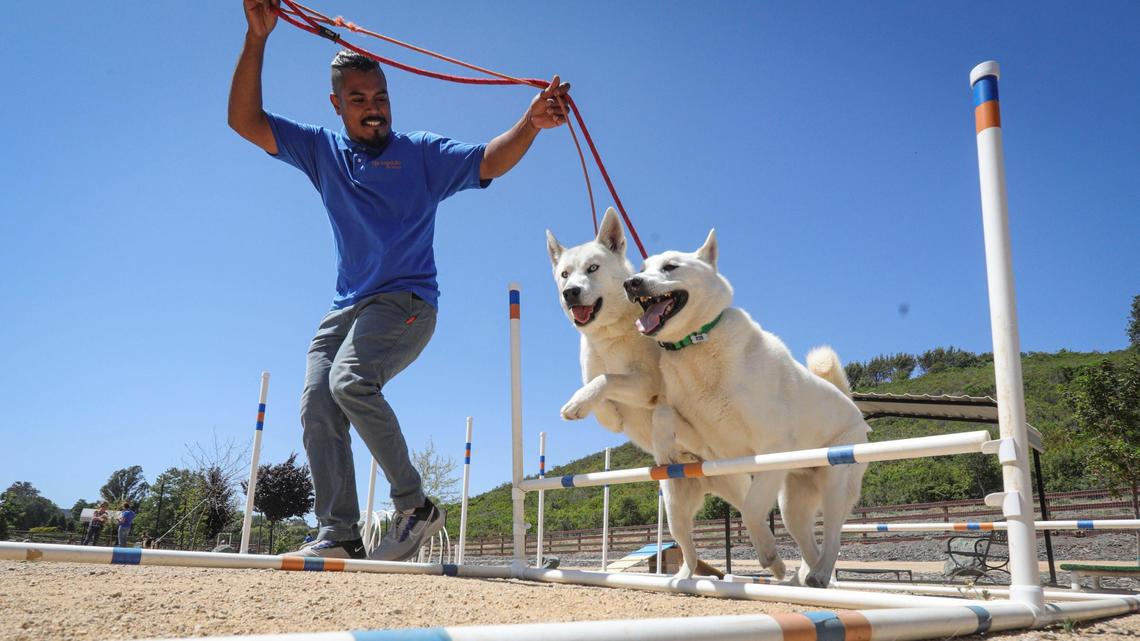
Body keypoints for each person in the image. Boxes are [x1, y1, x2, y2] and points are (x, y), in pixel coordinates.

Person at [228, 0, 570, 561]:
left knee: (350, 383)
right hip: (347, 306)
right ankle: (338, 532)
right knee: (317, 398)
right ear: (336, 105)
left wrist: (531, 122)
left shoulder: (422, 155)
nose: (373, 110)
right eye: (359, 100)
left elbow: (489, 160)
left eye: (381, 98)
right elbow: (245, 122)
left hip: (407, 301)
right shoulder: (321, 150)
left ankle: (415, 507)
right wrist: (257, 38)